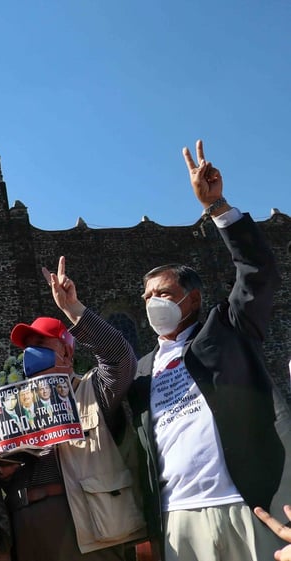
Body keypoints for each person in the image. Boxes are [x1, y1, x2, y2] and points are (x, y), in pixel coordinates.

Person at [127, 140, 284, 560]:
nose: (152, 302)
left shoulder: (226, 330)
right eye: (145, 296)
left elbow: (259, 275)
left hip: (243, 505)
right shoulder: (142, 370)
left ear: (192, 299)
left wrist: (218, 208)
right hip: (177, 518)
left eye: (163, 293)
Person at [0, 255, 145, 560]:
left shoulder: (93, 390)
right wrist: (3, 470)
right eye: (27, 347)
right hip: (28, 529)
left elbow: (120, 357)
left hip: (87, 528)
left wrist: (72, 309)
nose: (31, 353)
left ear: (66, 351)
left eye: (41, 345)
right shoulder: (15, 405)